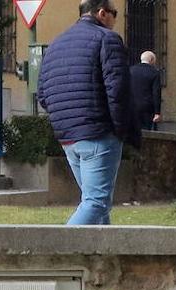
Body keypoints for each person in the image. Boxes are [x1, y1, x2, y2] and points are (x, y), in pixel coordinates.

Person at [36, 0, 139, 226]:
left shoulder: (55, 45)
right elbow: (118, 90)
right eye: (115, 13)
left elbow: (42, 94)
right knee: (96, 202)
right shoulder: (107, 39)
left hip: (67, 136)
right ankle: (58, 254)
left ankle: (105, 258)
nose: (115, 20)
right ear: (102, 13)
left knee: (94, 204)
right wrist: (121, 130)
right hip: (98, 133)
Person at [130, 51, 163, 132]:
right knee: (146, 132)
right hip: (147, 109)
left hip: (131, 106)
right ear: (151, 60)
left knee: (132, 131)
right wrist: (157, 112)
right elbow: (156, 93)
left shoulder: (130, 70)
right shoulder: (154, 73)